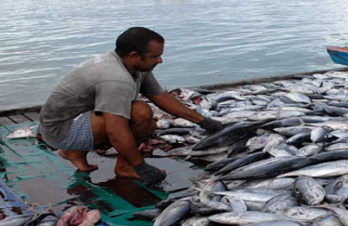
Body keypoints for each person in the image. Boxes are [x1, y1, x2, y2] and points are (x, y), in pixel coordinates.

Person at [38, 27, 222, 186]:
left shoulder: (132, 65)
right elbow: (115, 130)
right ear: (134, 55)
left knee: (148, 122)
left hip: (72, 120)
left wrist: (205, 122)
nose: (160, 61)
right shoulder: (116, 78)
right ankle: (124, 167)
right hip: (60, 130)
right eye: (155, 56)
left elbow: (159, 96)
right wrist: (141, 166)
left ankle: (75, 153)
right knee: (140, 113)